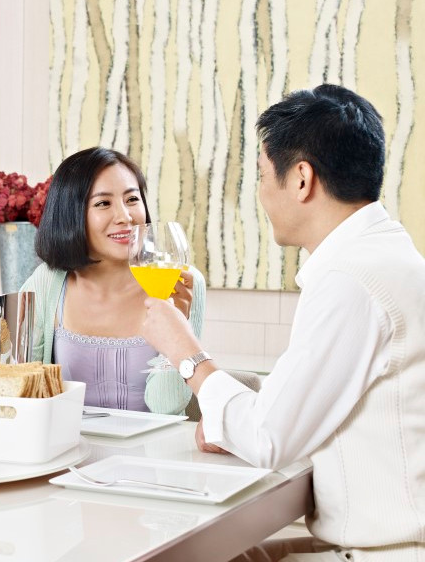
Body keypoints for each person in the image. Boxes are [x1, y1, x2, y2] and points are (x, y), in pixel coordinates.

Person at [140, 84, 425, 560]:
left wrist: (186, 354)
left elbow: (269, 440)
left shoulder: (349, 279)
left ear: (300, 179)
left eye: (261, 176)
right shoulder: (388, 255)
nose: (260, 194)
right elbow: (292, 416)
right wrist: (234, 422)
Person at [20, 147, 205, 414]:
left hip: (150, 453)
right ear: (71, 214)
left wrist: (177, 335)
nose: (125, 217)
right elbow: (25, 392)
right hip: (66, 449)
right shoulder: (48, 283)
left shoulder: (180, 282)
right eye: (103, 203)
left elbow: (167, 406)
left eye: (132, 199)